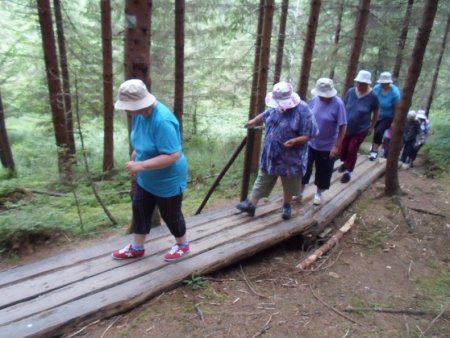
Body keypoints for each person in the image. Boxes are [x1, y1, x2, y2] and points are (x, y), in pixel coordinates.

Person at [111, 79, 190, 262]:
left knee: (170, 215)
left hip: (168, 179)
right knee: (139, 209)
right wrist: (135, 157)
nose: (127, 111)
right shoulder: (139, 115)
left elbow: (172, 156)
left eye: (129, 107)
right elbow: (141, 142)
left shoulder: (162, 120)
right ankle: (137, 247)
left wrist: (140, 165)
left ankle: (182, 245)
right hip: (146, 178)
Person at [236, 81, 318, 220]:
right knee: (263, 177)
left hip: (291, 156)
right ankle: (251, 205)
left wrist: (295, 141)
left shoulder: (303, 110)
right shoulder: (276, 106)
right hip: (271, 154)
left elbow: (311, 133)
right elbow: (267, 113)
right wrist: (254, 120)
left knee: (289, 182)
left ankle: (286, 206)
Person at [301, 78, 347, 205]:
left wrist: (337, 146)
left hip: (327, 146)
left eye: (324, 95)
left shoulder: (338, 104)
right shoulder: (315, 100)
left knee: (323, 172)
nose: (321, 97)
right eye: (320, 94)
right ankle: (299, 192)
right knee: (304, 169)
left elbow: (343, 126)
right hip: (310, 143)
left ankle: (318, 193)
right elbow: (308, 116)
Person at [338, 70, 379, 183]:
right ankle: (346, 163)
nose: (359, 85)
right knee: (344, 148)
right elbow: (343, 106)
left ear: (367, 84)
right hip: (347, 127)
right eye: (358, 82)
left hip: (361, 129)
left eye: (362, 83)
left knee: (352, 149)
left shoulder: (373, 96)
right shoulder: (351, 92)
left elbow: (376, 112)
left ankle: (349, 172)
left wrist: (372, 126)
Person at [369, 72, 401, 161]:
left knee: (379, 131)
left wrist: (394, 122)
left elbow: (397, 109)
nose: (383, 84)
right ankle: (374, 148)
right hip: (377, 115)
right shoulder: (376, 89)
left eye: (385, 83)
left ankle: (374, 151)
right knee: (376, 132)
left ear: (389, 83)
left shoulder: (395, 92)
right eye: (382, 83)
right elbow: (372, 101)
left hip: (388, 116)